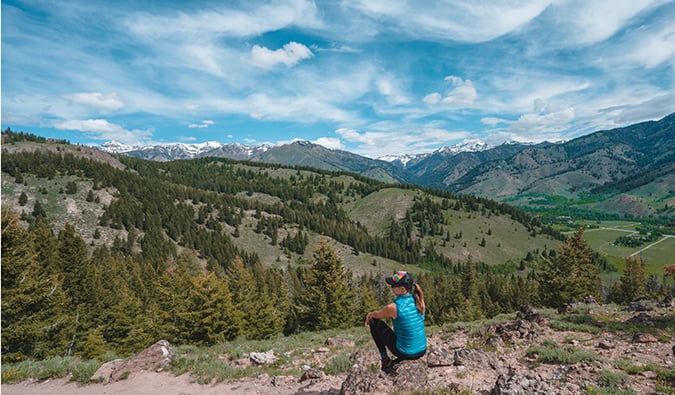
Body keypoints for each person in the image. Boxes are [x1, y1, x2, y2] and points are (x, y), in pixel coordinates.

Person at [365, 271, 427, 372]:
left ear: (402, 289)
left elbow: (378, 315)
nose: (391, 287)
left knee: (373, 321)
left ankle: (385, 359)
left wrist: (370, 315)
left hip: (406, 353)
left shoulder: (393, 307)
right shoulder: (419, 301)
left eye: (393, 285)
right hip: (422, 350)